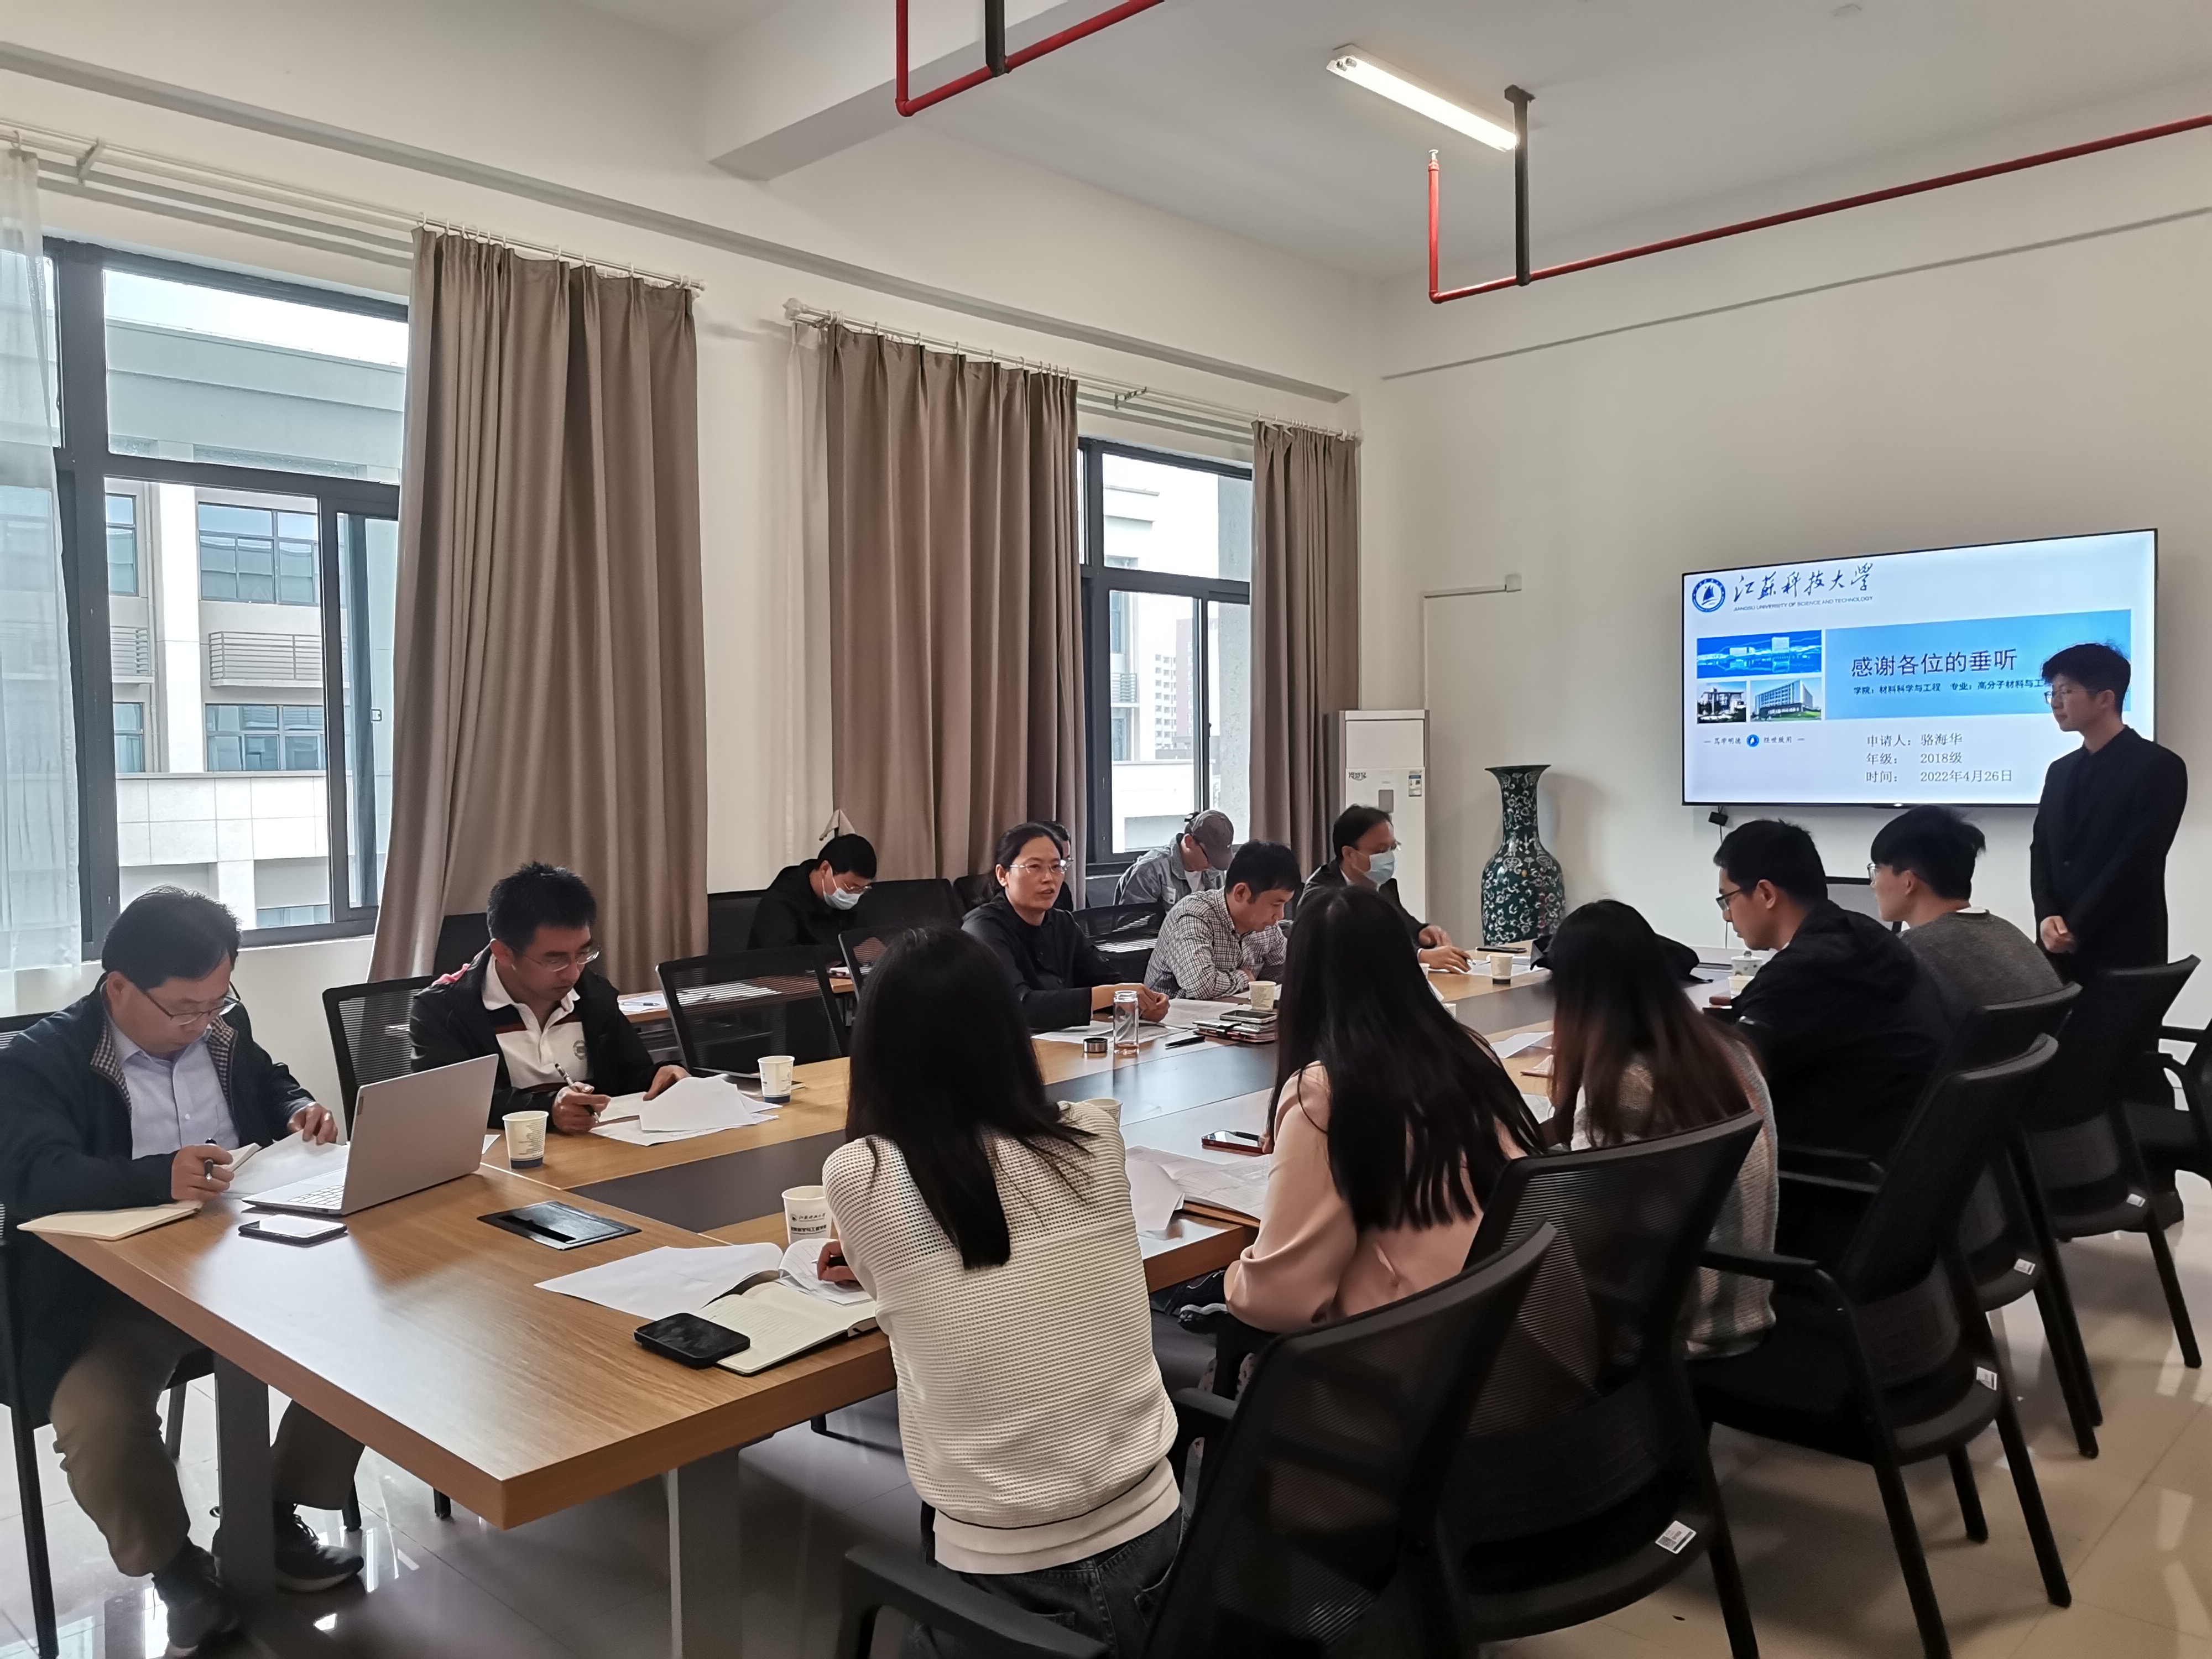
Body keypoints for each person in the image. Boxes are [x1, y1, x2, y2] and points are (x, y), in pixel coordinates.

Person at [0, 890, 364, 1655]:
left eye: (215, 1002)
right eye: (183, 1009)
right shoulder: (37, 1060)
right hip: (114, 1291)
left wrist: (299, 1108)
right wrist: (155, 1176)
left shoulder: (223, 1034)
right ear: (118, 987)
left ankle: (269, 1514)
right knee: (98, 1420)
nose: (202, 1023)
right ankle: (176, 1569)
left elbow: (271, 1081)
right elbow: (34, 1176)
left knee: (377, 1325)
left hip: (253, 1255)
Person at [817, 930, 1180, 1657]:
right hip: (1168, 1551)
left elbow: (896, 1261)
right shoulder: (1093, 1134)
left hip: (1011, 1589)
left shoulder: (861, 1175)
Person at [1226, 886, 1539, 1332]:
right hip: (1531, 1331)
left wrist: (1231, 1276)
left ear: (1301, 984)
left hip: (1432, 1353)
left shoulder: (1326, 1092)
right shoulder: (1470, 1050)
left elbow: (1275, 1301)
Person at [1548, 900, 1778, 1357]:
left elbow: (1581, 1223)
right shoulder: (1729, 1047)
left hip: (1677, 1328)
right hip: (1743, 1297)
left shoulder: (1624, 1081)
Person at [1715, 820, 1945, 1159]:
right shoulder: (1865, 936)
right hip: (1902, 1149)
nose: (1727, 917)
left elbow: (1726, 1080)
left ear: (1766, 894)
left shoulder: (1804, 970)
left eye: (1727, 900)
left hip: (1835, 1163)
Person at [410, 862, 687, 1133]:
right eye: (555, 960)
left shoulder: (594, 995)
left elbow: (627, 1076)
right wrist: (548, 1109)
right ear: (504, 953)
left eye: (583, 953)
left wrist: (663, 1076)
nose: (573, 973)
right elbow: (450, 1104)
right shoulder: (443, 1009)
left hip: (596, 1150)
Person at [2031, 642, 2188, 979]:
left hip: (2123, 947)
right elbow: (2041, 848)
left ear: (2105, 699)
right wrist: (2046, 915)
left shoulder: (2159, 767)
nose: (2056, 702)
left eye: (2066, 691)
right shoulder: (2059, 771)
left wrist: (2076, 927)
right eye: (2052, 693)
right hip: (2055, 949)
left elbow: (2138, 860)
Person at [1870, 805, 2060, 1029]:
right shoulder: (2007, 931)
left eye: (1877, 870)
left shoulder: (1907, 952)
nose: (1873, 884)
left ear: (1908, 881)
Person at [964, 823, 1166, 1031]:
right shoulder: (982, 928)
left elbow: (1106, 980)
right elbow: (1018, 1006)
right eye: (1034, 867)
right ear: (1002, 875)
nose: (1048, 878)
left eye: (1056, 867)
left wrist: (1140, 1004)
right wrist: (1115, 994)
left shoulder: (1063, 923)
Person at [1301, 805, 1472, 973]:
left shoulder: (1381, 885)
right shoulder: (1323, 896)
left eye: (1392, 848)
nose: (1389, 857)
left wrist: (1422, 933)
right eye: (1381, 850)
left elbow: (1401, 926)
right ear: (1349, 854)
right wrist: (1419, 956)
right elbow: (1350, 949)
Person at [1143, 839, 1297, 1001]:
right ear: (1241, 893)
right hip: (1172, 1015)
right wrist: (1243, 978)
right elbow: (1200, 986)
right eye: (1276, 904)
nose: (1281, 916)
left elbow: (1287, 974)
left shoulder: (1267, 928)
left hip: (1234, 1012)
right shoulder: (1194, 915)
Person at [749, 832, 878, 949]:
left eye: (863, 889)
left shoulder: (853, 899)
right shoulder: (779, 901)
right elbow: (783, 958)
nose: (855, 895)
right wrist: (848, 953)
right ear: (825, 869)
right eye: (851, 887)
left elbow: (863, 941)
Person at [1114, 810, 1233, 911]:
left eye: (1219, 859)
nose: (1213, 864)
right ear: (1189, 841)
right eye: (1209, 856)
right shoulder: (1149, 872)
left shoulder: (1216, 869)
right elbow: (1134, 925)